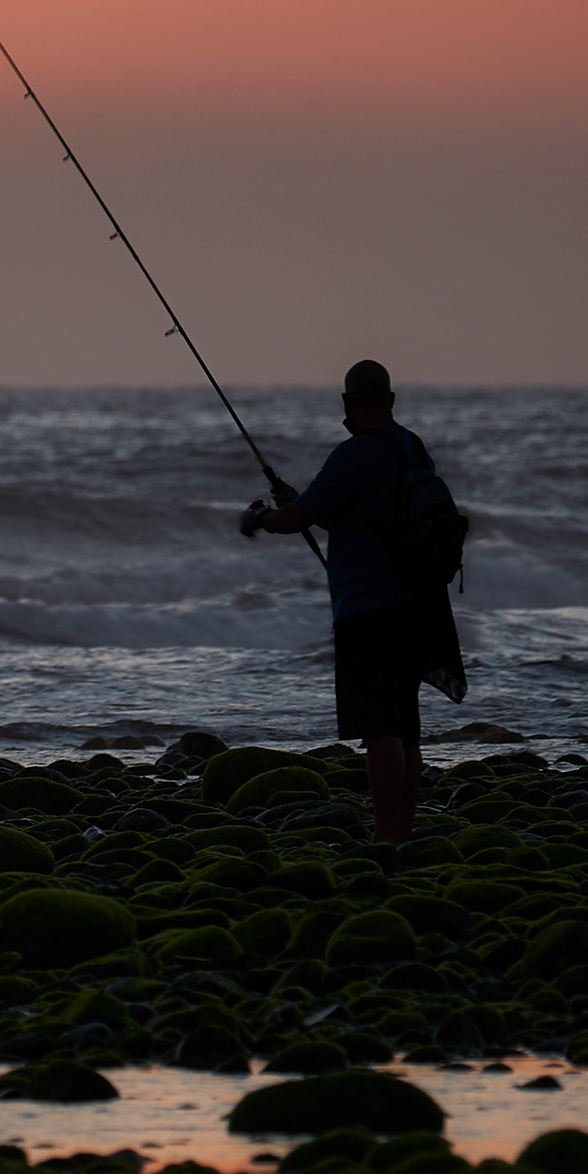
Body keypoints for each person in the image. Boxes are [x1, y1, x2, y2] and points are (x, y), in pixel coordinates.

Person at [239, 360, 464, 846]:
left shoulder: (355, 453)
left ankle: (384, 841)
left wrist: (261, 518)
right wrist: (299, 503)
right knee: (406, 729)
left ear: (347, 402)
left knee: (379, 729)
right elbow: (363, 513)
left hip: (368, 608)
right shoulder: (411, 446)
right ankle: (400, 835)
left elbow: (298, 518)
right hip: (416, 602)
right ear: (392, 399)